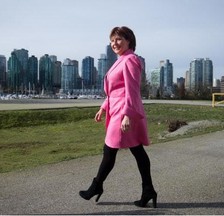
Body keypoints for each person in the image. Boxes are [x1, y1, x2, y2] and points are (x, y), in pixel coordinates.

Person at [79, 26, 157, 208]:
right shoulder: (120, 60)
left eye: (119, 39)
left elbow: (131, 90)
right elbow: (114, 91)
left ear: (129, 40)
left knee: (110, 149)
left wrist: (127, 115)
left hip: (124, 112)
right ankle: (148, 190)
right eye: (112, 40)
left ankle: (96, 186)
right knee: (137, 150)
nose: (115, 43)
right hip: (116, 110)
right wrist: (103, 108)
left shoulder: (131, 60)